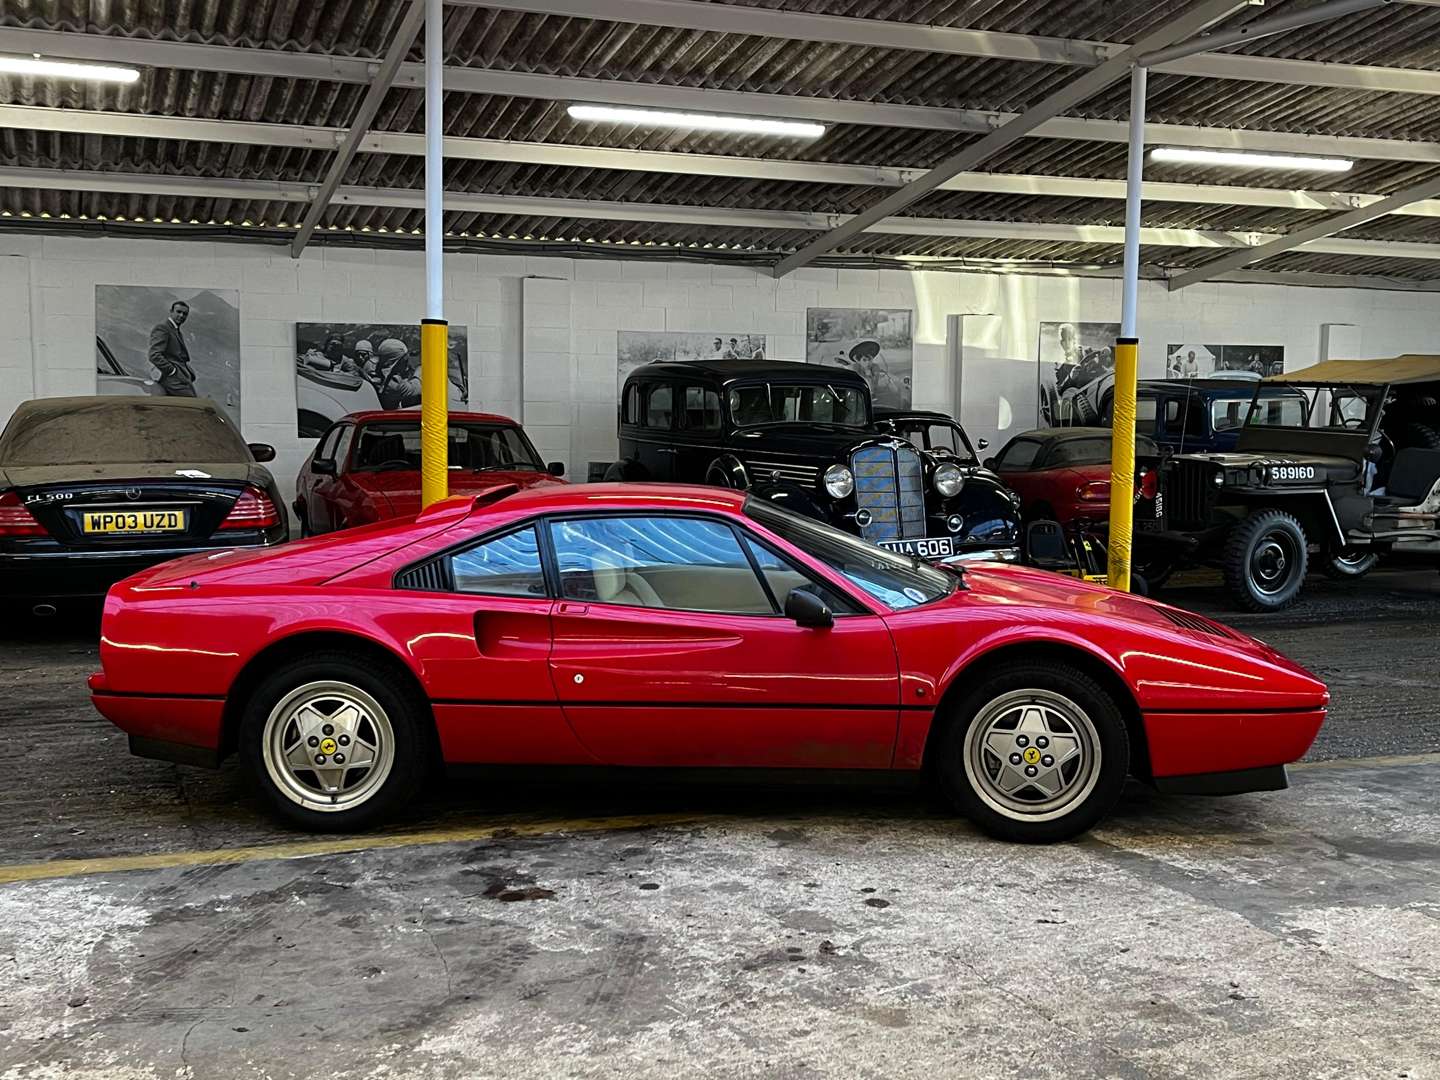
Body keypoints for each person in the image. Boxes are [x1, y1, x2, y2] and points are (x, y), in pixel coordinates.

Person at [148, 300, 198, 397]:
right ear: (171, 312)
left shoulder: (176, 330)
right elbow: (154, 355)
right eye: (178, 312)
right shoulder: (163, 328)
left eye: (185, 314)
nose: (181, 316)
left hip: (181, 378)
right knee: (192, 404)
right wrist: (172, 371)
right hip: (173, 380)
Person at [376, 338, 421, 409]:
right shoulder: (394, 384)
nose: (407, 365)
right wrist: (420, 368)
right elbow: (417, 387)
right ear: (396, 362)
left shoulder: (375, 373)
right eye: (405, 360)